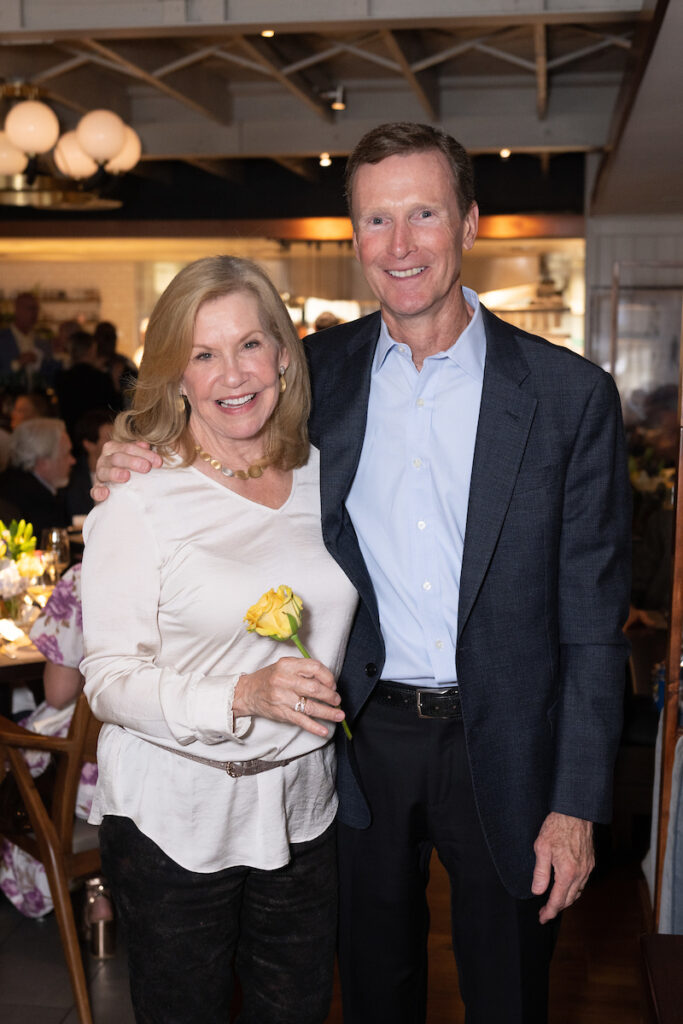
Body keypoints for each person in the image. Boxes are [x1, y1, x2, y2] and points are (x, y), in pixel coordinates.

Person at [93, 123, 631, 1024]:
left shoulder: (567, 395)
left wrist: (575, 804)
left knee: (507, 995)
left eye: (423, 213)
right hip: (355, 743)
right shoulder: (321, 375)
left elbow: (591, 619)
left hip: (504, 746)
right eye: (376, 221)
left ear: (467, 222)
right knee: (369, 991)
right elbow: (218, 418)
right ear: (354, 242)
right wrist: (129, 454)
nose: (400, 244)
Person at [80, 256, 358, 1024]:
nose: (231, 374)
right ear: (175, 375)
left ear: (282, 354)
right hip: (175, 818)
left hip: (304, 808)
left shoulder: (326, 476)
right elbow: (106, 678)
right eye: (203, 354)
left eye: (248, 345)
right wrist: (242, 694)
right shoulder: (139, 499)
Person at [0, 564, 115, 956]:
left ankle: (89, 884)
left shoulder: (88, 576)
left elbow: (59, 691)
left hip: (94, 781)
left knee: (19, 756)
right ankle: (102, 890)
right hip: (171, 772)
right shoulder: (202, 555)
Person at [0, 418, 74, 535]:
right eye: (66, 454)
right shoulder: (35, 500)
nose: (72, 461)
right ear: (43, 462)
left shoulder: (13, 482)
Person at [54, 330, 119, 439]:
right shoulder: (101, 378)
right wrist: (115, 381)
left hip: (71, 434)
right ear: (91, 351)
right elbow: (115, 407)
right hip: (96, 435)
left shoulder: (61, 377)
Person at [64, 408, 115, 520]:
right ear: (89, 444)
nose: (117, 442)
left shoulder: (123, 474)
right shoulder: (73, 479)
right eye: (109, 438)